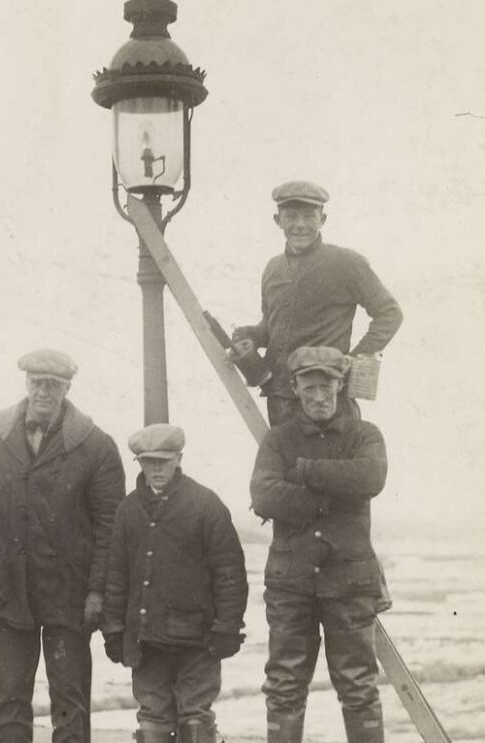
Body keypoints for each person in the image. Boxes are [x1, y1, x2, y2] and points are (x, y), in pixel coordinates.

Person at [0, 348, 125, 743]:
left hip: (70, 595)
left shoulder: (96, 445)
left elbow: (110, 529)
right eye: (36, 383)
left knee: (70, 699)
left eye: (53, 385)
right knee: (9, 697)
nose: (43, 392)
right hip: (7, 591)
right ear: (26, 384)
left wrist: (98, 592)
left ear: (67, 389)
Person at [250, 346, 388, 743]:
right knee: (284, 687)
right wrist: (329, 497)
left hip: (349, 584)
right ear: (294, 388)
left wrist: (306, 471)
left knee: (358, 687)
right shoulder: (278, 440)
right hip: (290, 584)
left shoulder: (366, 435)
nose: (318, 395)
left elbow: (371, 477)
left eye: (326, 384)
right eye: (309, 386)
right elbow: (263, 495)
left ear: (341, 384)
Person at [103, 423, 248, 743]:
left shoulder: (206, 505)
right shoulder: (127, 510)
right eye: (148, 461)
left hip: (197, 641)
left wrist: (228, 626)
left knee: (196, 718)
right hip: (146, 640)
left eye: (164, 461)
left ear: (179, 459)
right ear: (138, 462)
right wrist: (113, 627)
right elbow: (116, 575)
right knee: (152, 720)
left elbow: (230, 573)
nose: (156, 469)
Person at [231, 180, 403, 426]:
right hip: (279, 396)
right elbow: (272, 327)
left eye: (309, 216)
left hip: (327, 397)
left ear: (323, 219)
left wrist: (353, 360)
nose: (300, 225)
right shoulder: (272, 269)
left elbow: (390, 314)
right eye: (291, 216)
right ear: (277, 220)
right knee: (285, 464)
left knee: (329, 464)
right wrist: (253, 336)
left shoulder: (346, 262)